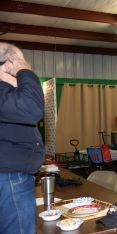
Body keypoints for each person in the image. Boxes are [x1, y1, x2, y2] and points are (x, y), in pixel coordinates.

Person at [0, 43, 45, 234]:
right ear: (9, 64)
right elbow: (32, 108)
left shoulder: (7, 96)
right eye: (21, 61)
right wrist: (24, 69)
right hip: (10, 179)